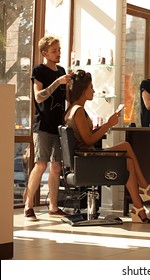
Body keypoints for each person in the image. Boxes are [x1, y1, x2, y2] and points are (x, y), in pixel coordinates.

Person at [64, 69, 150, 223]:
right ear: (83, 90)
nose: (94, 90)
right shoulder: (78, 111)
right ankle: (145, 187)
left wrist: (103, 126)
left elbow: (84, 137)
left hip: (84, 156)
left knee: (128, 161)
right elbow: (89, 141)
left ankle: (139, 209)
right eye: (91, 87)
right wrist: (108, 124)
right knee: (126, 146)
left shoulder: (71, 109)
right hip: (86, 159)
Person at [24, 36, 72, 221]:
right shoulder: (39, 71)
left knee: (56, 167)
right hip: (43, 125)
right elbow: (39, 97)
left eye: (59, 49)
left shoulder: (61, 70)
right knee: (41, 164)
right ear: (45, 53)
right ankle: (29, 205)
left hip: (59, 126)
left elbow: (65, 98)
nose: (58, 53)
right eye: (54, 50)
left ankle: (53, 207)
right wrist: (57, 83)